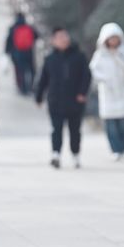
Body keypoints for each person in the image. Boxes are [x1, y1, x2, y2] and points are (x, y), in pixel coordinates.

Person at [35, 28, 91, 169]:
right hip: (56, 100)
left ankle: (76, 155)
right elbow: (43, 79)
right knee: (56, 129)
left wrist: (82, 93)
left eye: (65, 36)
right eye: (59, 37)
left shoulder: (79, 56)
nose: (64, 39)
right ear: (54, 41)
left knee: (75, 130)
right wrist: (39, 96)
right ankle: (56, 154)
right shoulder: (50, 58)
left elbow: (86, 76)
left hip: (75, 101)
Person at [90, 23, 124, 160]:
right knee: (111, 126)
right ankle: (116, 150)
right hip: (108, 94)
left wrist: (117, 55)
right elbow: (93, 71)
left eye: (115, 38)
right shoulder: (99, 55)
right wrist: (105, 80)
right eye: (110, 39)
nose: (113, 41)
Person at [5, 13, 37, 96]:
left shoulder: (13, 28)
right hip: (29, 52)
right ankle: (30, 87)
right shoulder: (29, 27)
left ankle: (22, 88)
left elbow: (9, 40)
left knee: (19, 71)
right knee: (31, 70)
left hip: (17, 53)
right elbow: (36, 36)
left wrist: (7, 51)